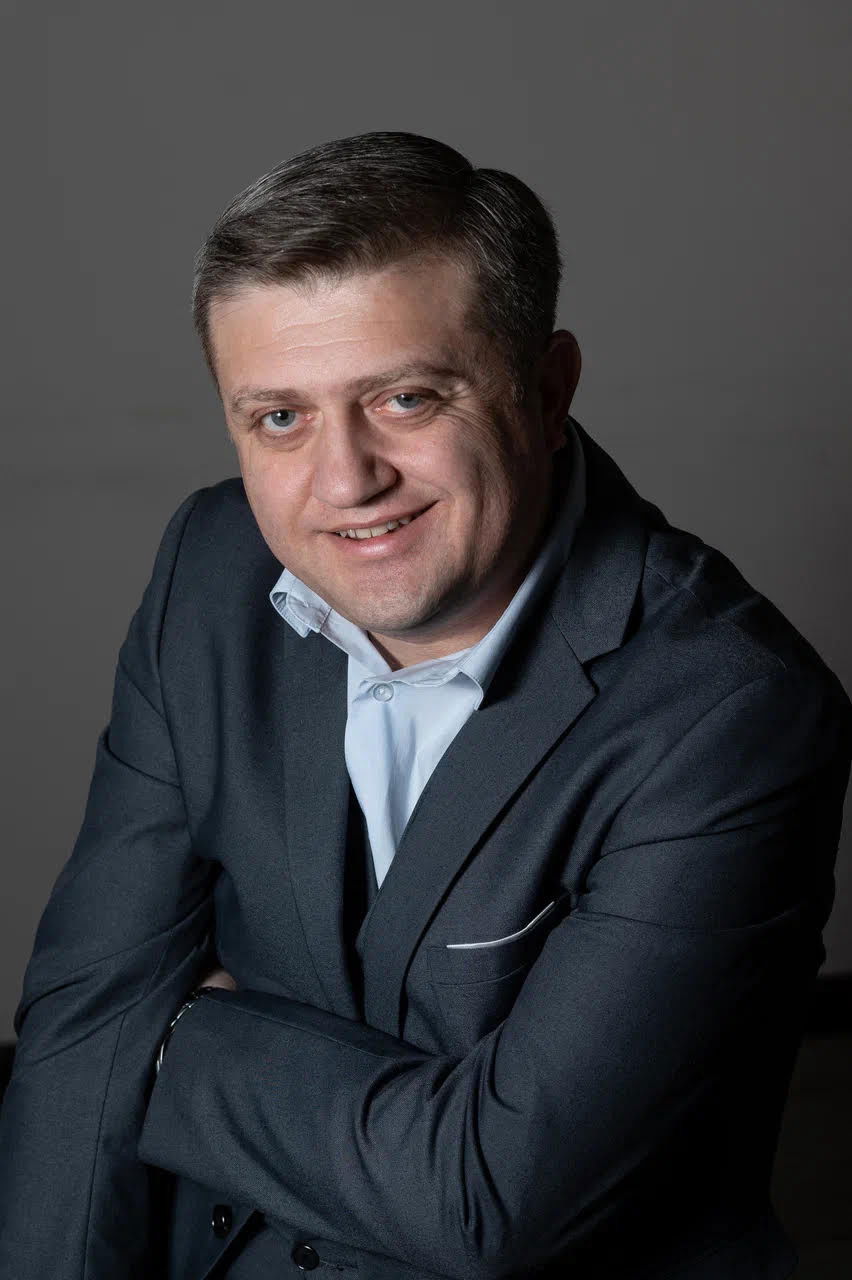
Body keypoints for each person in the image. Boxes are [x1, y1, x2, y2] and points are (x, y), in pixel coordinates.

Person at [0, 131, 850, 1280]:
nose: (346, 479)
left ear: (547, 390)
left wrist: (175, 1038)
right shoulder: (211, 569)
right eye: (280, 417)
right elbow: (83, 1016)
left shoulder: (731, 711)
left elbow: (491, 1199)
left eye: (405, 397)